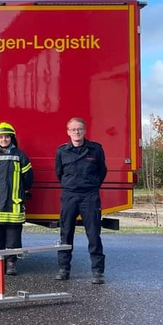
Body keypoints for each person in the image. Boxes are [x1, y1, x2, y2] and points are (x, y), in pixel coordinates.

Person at [55, 117, 107, 284]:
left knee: (93, 234)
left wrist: (91, 186)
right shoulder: (62, 151)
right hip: (69, 195)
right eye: (73, 129)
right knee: (66, 233)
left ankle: (97, 272)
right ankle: (63, 269)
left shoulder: (95, 149)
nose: (77, 132)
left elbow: (102, 171)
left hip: (89, 196)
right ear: (68, 132)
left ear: (84, 131)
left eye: (80, 129)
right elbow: (59, 173)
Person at [0, 122, 34, 276]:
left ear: (11, 138)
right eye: (1, 137)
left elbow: (28, 177)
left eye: (6, 137)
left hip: (14, 203)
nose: (4, 139)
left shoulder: (20, 156)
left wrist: (19, 192)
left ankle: (11, 262)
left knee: (13, 234)